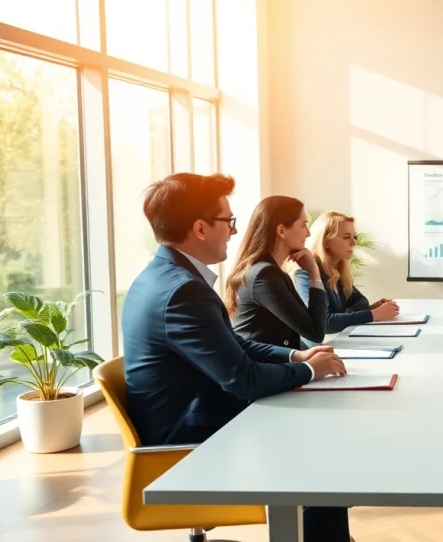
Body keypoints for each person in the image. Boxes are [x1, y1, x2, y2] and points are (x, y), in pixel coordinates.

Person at [121, 173, 352, 542]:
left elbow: (233, 343)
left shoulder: (165, 277)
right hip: (191, 439)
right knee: (321, 450)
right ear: (199, 228)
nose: (233, 231)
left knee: (319, 430)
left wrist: (296, 354)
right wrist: (308, 370)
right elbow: (241, 378)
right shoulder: (183, 291)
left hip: (192, 412)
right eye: (227, 221)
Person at [226, 195, 329, 348]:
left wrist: (311, 355)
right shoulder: (264, 275)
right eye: (303, 225)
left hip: (276, 364)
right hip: (263, 368)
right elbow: (315, 332)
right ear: (281, 230)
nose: (308, 233)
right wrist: (314, 272)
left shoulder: (272, 272)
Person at [295, 211, 398, 333]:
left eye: (354, 236)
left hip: (341, 340)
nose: (353, 242)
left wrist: (370, 309)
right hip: (321, 348)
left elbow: (361, 301)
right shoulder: (305, 274)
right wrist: (372, 314)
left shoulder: (338, 271)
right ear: (326, 241)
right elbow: (324, 323)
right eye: (346, 237)